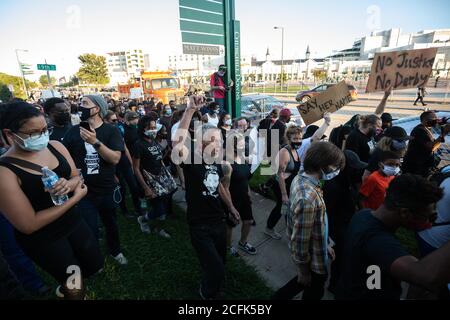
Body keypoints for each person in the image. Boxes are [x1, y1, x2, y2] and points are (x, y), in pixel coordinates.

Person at [0, 101, 103, 299]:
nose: (42, 136)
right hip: (45, 239)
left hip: (74, 222)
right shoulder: (5, 171)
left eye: (45, 129)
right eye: (33, 133)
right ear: (10, 134)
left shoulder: (55, 145)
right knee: (74, 281)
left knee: (93, 264)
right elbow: (29, 224)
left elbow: (76, 176)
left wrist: (69, 184)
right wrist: (75, 198)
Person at [336, 174, 450, 300]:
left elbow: (373, 272)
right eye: (430, 217)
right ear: (404, 213)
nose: (430, 223)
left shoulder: (364, 215)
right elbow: (426, 276)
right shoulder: (378, 241)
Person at [172, 95, 240, 300]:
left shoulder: (217, 163)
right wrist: (190, 110)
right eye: (213, 142)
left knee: (220, 263)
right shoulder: (192, 160)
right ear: (201, 144)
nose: (218, 146)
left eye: (220, 142)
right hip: (199, 225)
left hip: (218, 221)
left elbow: (219, 185)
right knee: (216, 269)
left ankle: (214, 285)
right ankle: (206, 293)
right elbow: (177, 142)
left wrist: (231, 207)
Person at [272, 142, 345, 300]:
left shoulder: (301, 177)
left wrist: (325, 244)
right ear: (322, 165)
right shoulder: (308, 198)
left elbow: (314, 226)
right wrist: (303, 271)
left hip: (318, 250)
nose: (337, 171)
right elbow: (300, 240)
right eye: (335, 166)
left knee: (308, 286)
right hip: (313, 261)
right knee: (311, 287)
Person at [63, 95, 128, 265]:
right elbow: (65, 160)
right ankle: (94, 260)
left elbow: (115, 159)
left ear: (97, 109)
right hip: (83, 191)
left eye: (85, 103)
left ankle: (115, 251)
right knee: (89, 228)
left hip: (106, 188)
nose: (80, 106)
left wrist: (94, 141)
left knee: (111, 224)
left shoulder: (111, 131)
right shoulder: (72, 132)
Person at [323, 150, 368, 293]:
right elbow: (326, 212)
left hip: (346, 224)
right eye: (354, 168)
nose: (357, 172)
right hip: (336, 228)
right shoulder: (334, 186)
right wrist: (328, 236)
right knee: (339, 258)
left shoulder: (346, 182)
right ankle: (334, 284)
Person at [133, 116, 172, 238]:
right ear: (143, 128)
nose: (154, 130)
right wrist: (145, 187)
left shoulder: (153, 140)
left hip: (161, 179)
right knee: (159, 209)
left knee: (163, 208)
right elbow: (135, 168)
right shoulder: (138, 145)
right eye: (151, 128)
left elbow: (158, 158)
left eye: (155, 127)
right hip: (149, 181)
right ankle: (143, 220)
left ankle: (159, 229)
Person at [264, 125, 302, 240]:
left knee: (287, 208)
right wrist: (284, 194)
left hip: (289, 184)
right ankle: (269, 228)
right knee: (281, 206)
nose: (298, 141)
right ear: (289, 138)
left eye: (300, 138)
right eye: (295, 139)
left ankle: (290, 230)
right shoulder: (285, 152)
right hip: (281, 185)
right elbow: (280, 174)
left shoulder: (295, 150)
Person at [104, 111, 142, 219]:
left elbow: (124, 147)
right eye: (113, 120)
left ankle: (138, 208)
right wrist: (112, 174)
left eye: (116, 120)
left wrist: (130, 163)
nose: (116, 122)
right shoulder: (102, 134)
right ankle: (124, 211)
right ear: (105, 120)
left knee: (134, 186)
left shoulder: (117, 130)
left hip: (124, 161)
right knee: (122, 189)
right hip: (114, 165)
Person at [226, 132, 257, 255]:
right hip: (232, 199)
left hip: (244, 197)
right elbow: (224, 187)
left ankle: (243, 243)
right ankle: (228, 248)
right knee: (231, 224)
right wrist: (230, 207)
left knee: (248, 221)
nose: (245, 146)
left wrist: (248, 193)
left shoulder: (242, 158)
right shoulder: (227, 164)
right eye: (241, 143)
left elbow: (245, 179)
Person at [403, 111, 450, 177]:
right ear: (425, 120)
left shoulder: (427, 129)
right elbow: (431, 147)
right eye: (433, 119)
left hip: (422, 165)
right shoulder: (420, 130)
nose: (435, 120)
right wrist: (444, 133)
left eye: (436, 118)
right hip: (416, 167)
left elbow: (433, 147)